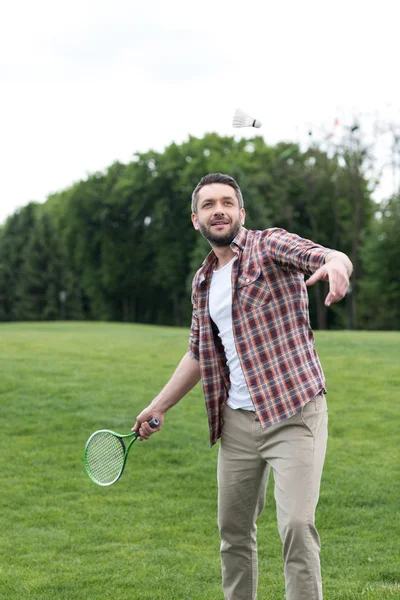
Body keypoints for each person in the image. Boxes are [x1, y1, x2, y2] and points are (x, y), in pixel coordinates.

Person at [133, 173, 352, 600]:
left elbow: (320, 253)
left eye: (228, 202)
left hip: (294, 413)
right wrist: (157, 406)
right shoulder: (202, 283)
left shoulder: (268, 246)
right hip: (236, 424)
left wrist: (337, 265)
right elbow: (198, 352)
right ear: (195, 219)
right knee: (233, 534)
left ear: (241, 213)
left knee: (296, 527)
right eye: (209, 204)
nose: (220, 210)